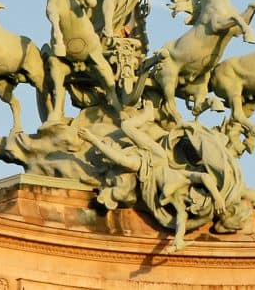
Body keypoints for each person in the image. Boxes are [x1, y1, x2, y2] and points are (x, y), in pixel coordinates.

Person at [77, 100, 224, 252]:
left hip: (145, 169)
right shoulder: (186, 178)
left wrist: (178, 240)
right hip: (157, 157)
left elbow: (181, 219)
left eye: (196, 203)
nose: (196, 198)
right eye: (201, 196)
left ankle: (96, 142)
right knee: (126, 126)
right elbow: (205, 177)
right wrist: (218, 198)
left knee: (122, 159)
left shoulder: (177, 200)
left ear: (193, 206)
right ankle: (147, 115)